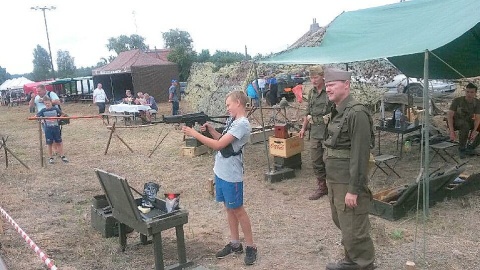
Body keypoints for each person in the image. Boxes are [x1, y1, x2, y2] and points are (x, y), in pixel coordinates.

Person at [181, 90, 257, 266]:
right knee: (229, 208)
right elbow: (222, 139)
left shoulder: (242, 124)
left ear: (238, 102)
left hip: (232, 173)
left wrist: (194, 134)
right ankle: (235, 243)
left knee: (238, 209)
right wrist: (210, 129)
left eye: (228, 105)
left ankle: (251, 246)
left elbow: (218, 145)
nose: (227, 108)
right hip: (221, 170)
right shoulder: (233, 121)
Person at [323, 68, 375, 270]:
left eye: (332, 84)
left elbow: (360, 155)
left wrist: (354, 189)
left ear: (346, 84)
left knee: (354, 224)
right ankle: (351, 259)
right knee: (344, 221)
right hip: (335, 179)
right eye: (327, 85)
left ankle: (363, 263)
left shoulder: (357, 113)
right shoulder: (337, 111)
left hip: (348, 181)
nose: (328, 88)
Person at [299, 65, 332, 200]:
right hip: (314, 132)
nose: (313, 80)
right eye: (311, 78)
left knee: (330, 160)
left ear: (322, 76)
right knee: (316, 159)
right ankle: (322, 187)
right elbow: (308, 112)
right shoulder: (312, 92)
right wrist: (303, 128)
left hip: (328, 131)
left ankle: (336, 187)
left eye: (316, 77)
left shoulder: (329, 90)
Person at [447, 82, 480, 158]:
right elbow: (449, 116)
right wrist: (451, 131)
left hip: (469, 120)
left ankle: (471, 148)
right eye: (467, 92)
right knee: (465, 125)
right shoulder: (457, 101)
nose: (469, 94)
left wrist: (474, 131)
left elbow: (478, 118)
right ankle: (461, 149)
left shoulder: (477, 102)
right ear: (465, 91)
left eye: (472, 92)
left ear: (475, 93)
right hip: (457, 121)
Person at [36, 96, 69, 164]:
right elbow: (37, 116)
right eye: (46, 103)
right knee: (49, 144)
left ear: (51, 102)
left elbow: (63, 114)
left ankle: (62, 156)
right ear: (44, 104)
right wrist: (40, 119)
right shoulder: (43, 110)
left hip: (56, 128)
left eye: (48, 103)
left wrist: (59, 118)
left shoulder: (55, 109)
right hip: (48, 129)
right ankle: (51, 157)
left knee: (59, 142)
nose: (47, 104)